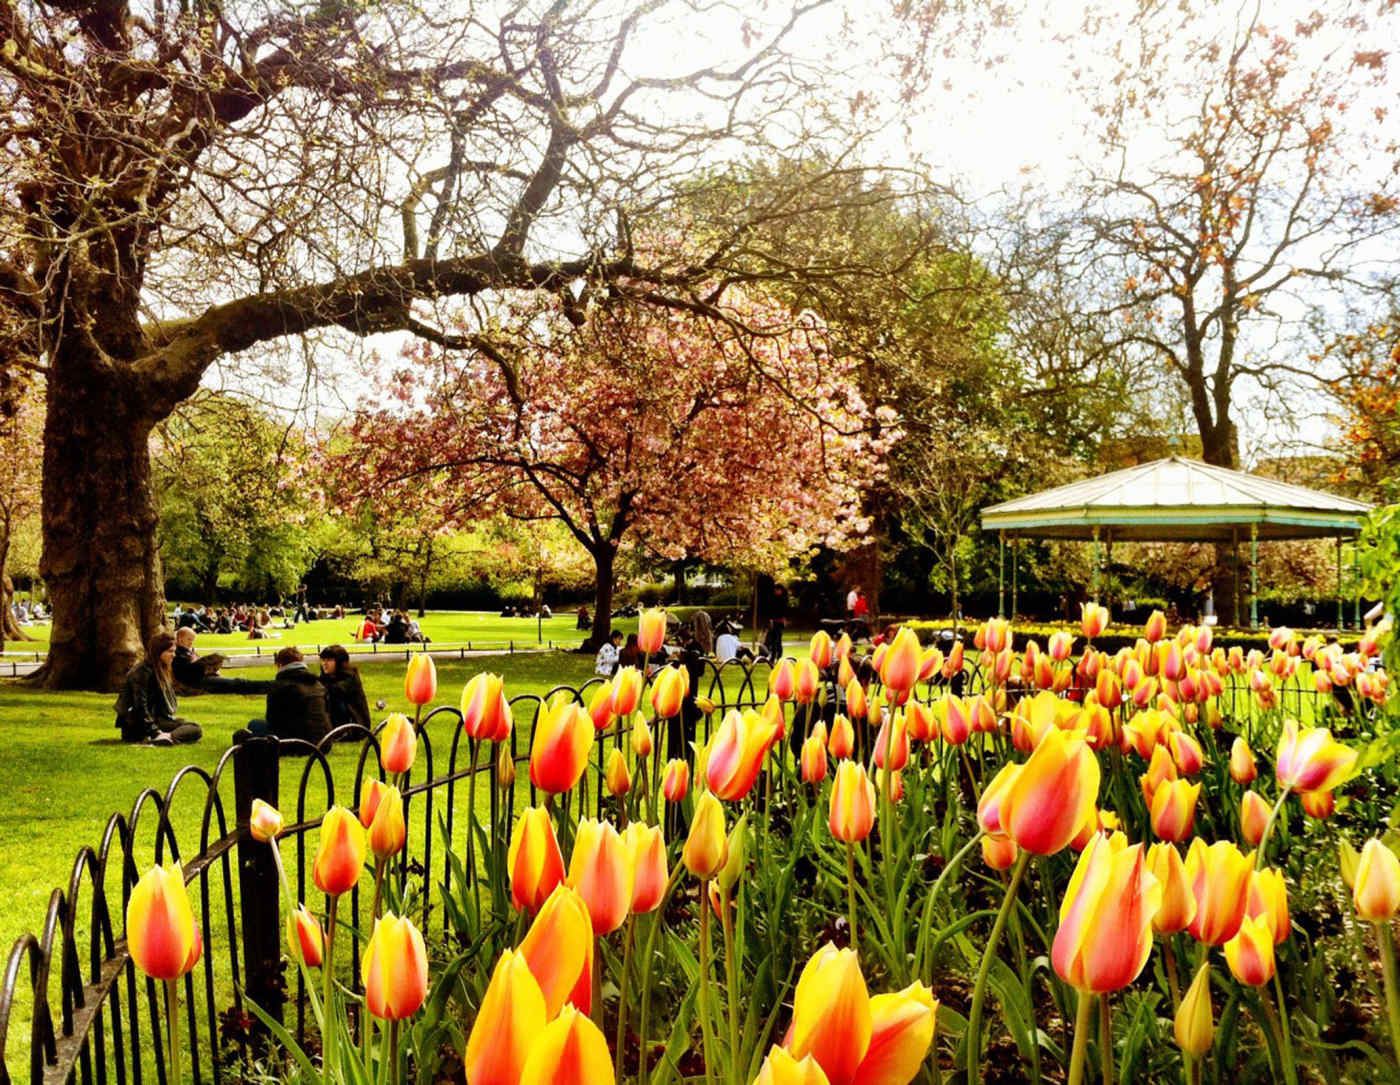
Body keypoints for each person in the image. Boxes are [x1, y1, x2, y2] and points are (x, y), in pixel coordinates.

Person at [114, 632, 204, 745]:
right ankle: (160, 737)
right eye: (170, 651)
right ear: (158, 652)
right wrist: (155, 731)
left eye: (174, 651)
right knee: (194, 728)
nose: (174, 655)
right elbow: (140, 707)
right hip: (137, 724)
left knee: (194, 728)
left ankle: (167, 737)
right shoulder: (142, 672)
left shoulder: (158, 669)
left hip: (156, 719)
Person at [257, 647, 331, 743]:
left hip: (298, 743)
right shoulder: (318, 684)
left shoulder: (281, 687)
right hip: (324, 742)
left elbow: (272, 720)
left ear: (279, 665)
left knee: (255, 724)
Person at [172, 628, 273, 695]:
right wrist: (206, 668)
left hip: (205, 678)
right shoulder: (177, 654)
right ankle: (270, 686)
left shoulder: (186, 651)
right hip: (199, 682)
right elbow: (185, 674)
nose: (191, 643)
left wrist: (212, 667)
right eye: (189, 640)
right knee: (237, 683)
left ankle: (269, 686)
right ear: (180, 639)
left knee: (236, 683)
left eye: (192, 640)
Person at [319, 645, 372, 731]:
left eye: (329, 660)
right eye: (323, 660)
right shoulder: (325, 678)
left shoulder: (349, 677)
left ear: (339, 662)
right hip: (338, 723)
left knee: (333, 696)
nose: (325, 663)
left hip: (355, 725)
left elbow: (335, 691)